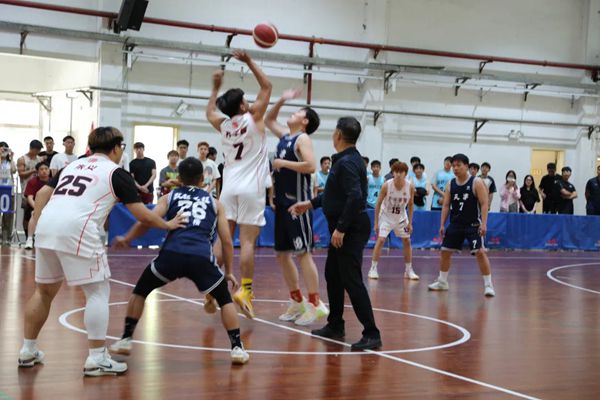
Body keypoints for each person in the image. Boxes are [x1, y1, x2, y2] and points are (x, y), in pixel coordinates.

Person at [18, 126, 185, 376]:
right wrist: (168, 224)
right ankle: (97, 358)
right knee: (97, 291)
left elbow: (42, 194)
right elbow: (143, 215)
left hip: (47, 227)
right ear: (116, 148)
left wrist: (38, 222)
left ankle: (27, 350)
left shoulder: (72, 166)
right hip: (78, 228)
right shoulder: (116, 172)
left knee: (43, 292)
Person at [109, 158, 249, 365]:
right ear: (202, 179)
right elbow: (227, 241)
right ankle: (237, 348)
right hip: (201, 257)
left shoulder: (169, 197)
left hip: (172, 254)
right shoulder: (215, 203)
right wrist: (228, 271)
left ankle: (126, 339)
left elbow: (147, 220)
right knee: (224, 299)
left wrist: (127, 238)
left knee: (140, 291)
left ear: (179, 179)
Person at [289, 116, 382, 351]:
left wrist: (341, 228)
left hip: (350, 229)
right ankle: (335, 325)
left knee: (351, 279)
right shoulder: (346, 159)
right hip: (344, 227)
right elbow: (334, 194)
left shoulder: (347, 162)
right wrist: (310, 204)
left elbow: (355, 197)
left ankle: (372, 333)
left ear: (338, 135)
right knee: (333, 274)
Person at [205, 50, 272, 318]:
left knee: (223, 239)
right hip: (251, 188)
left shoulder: (223, 125)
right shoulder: (254, 117)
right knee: (247, 242)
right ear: (243, 106)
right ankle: (245, 291)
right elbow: (267, 86)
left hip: (228, 188)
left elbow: (209, 111)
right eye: (245, 99)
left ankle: (211, 289)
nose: (249, 102)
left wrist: (215, 87)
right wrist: (249, 61)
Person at [265, 88, 329, 326]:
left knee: (303, 253)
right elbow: (269, 119)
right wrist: (282, 99)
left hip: (297, 204)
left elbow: (311, 166)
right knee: (282, 255)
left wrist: (284, 163)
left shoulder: (303, 139)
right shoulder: (285, 136)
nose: (292, 113)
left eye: (298, 111)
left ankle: (315, 303)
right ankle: (297, 301)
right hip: (282, 204)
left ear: (305, 121)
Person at [428, 153, 495, 297]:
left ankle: (488, 285)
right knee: (445, 251)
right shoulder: (450, 184)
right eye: (453, 166)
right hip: (456, 224)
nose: (455, 168)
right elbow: (446, 205)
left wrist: (484, 224)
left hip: (473, 224)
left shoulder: (476, 182)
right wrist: (442, 224)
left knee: (480, 252)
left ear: (466, 166)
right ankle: (442, 282)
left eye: (458, 165)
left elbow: (484, 204)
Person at [368, 161, 418, 281]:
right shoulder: (387, 185)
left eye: (401, 172)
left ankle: (408, 270)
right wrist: (376, 223)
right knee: (381, 240)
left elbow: (411, 205)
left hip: (401, 217)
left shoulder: (410, 186)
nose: (398, 174)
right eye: (396, 171)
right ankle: (373, 268)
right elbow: (378, 204)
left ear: (405, 173)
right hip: (386, 216)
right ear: (393, 172)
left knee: (407, 241)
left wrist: (410, 223)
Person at [17, 140, 43, 241]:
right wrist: (33, 171)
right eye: (36, 150)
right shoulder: (22, 159)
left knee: (39, 213)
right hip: (26, 191)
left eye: (39, 150)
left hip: (39, 190)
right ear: (31, 148)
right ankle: (28, 236)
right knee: (27, 215)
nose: (38, 152)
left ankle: (37, 236)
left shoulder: (40, 159)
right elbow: (21, 174)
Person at [23, 162, 51, 249]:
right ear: (37, 172)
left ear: (49, 170)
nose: (44, 171)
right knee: (34, 214)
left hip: (50, 206)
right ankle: (29, 239)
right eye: (41, 169)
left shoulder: (53, 181)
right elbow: (30, 198)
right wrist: (37, 208)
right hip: (36, 205)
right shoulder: (32, 181)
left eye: (46, 169)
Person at [0, 142, 17, 246]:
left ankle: (6, 239)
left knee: (8, 216)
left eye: (5, 149)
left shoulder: (9, 162)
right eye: (2, 149)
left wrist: (11, 157)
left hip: (8, 190)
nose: (3, 151)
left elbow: (14, 170)